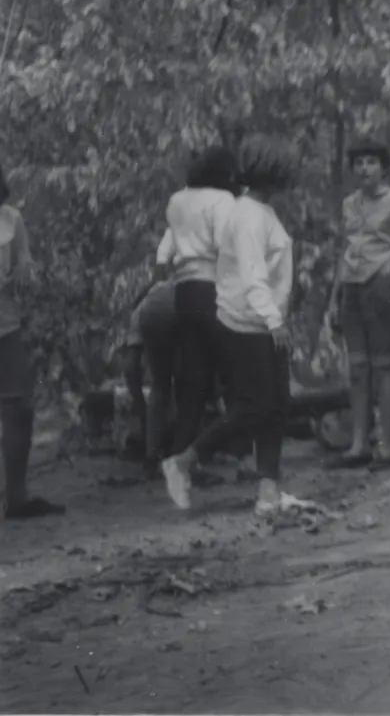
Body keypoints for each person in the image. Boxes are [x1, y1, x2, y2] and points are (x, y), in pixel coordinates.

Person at [162, 135, 299, 514]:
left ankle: (268, 491)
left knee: (277, 406)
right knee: (253, 406)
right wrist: (274, 320)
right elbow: (252, 275)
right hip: (248, 320)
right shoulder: (248, 216)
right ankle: (183, 461)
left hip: (262, 317)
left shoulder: (259, 212)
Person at [328, 138, 390, 469]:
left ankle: (388, 445)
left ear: (383, 168)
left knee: (383, 365)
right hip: (353, 287)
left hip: (382, 285)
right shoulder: (350, 204)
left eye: (372, 162)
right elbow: (345, 251)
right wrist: (334, 298)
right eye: (359, 163)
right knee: (358, 367)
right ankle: (357, 444)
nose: (365, 169)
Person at [163, 145, 240, 456]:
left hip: (185, 290)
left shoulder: (177, 200)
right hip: (214, 287)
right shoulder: (221, 200)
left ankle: (181, 451)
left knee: (194, 376)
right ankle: (241, 451)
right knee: (235, 371)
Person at [0, 164, 64, 520]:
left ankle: (17, 495)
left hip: (5, 323)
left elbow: (24, 258)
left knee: (19, 406)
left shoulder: (11, 219)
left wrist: (25, 269)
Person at [122, 279, 179, 476]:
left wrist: (139, 401)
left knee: (160, 385)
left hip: (156, 313)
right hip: (185, 305)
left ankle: (151, 458)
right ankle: (186, 455)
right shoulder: (174, 287)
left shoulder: (141, 310)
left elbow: (130, 367)